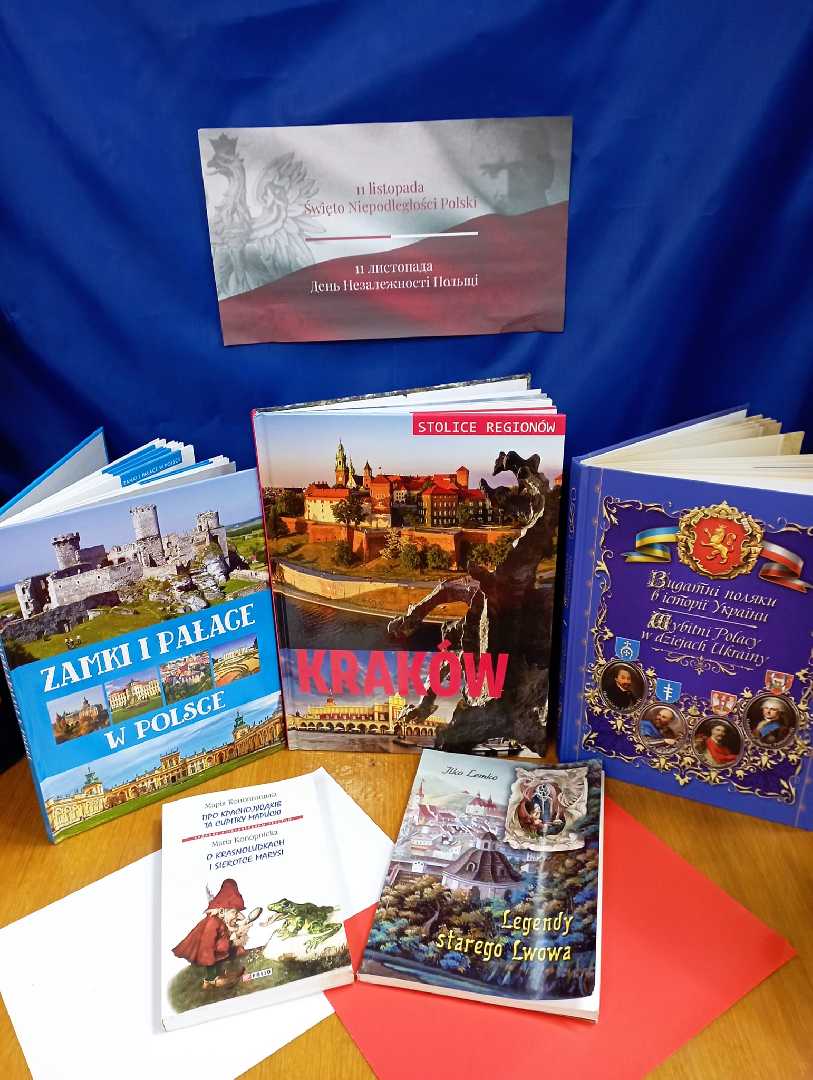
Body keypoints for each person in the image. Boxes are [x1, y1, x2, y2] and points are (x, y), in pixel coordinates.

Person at [172, 878, 247, 989]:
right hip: (210, 951)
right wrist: (208, 957)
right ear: (222, 911)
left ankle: (221, 974)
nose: (237, 916)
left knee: (223, 958)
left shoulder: (222, 921)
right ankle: (210, 981)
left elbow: (225, 935)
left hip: (219, 949)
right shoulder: (213, 922)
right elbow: (207, 942)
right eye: (234, 912)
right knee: (213, 965)